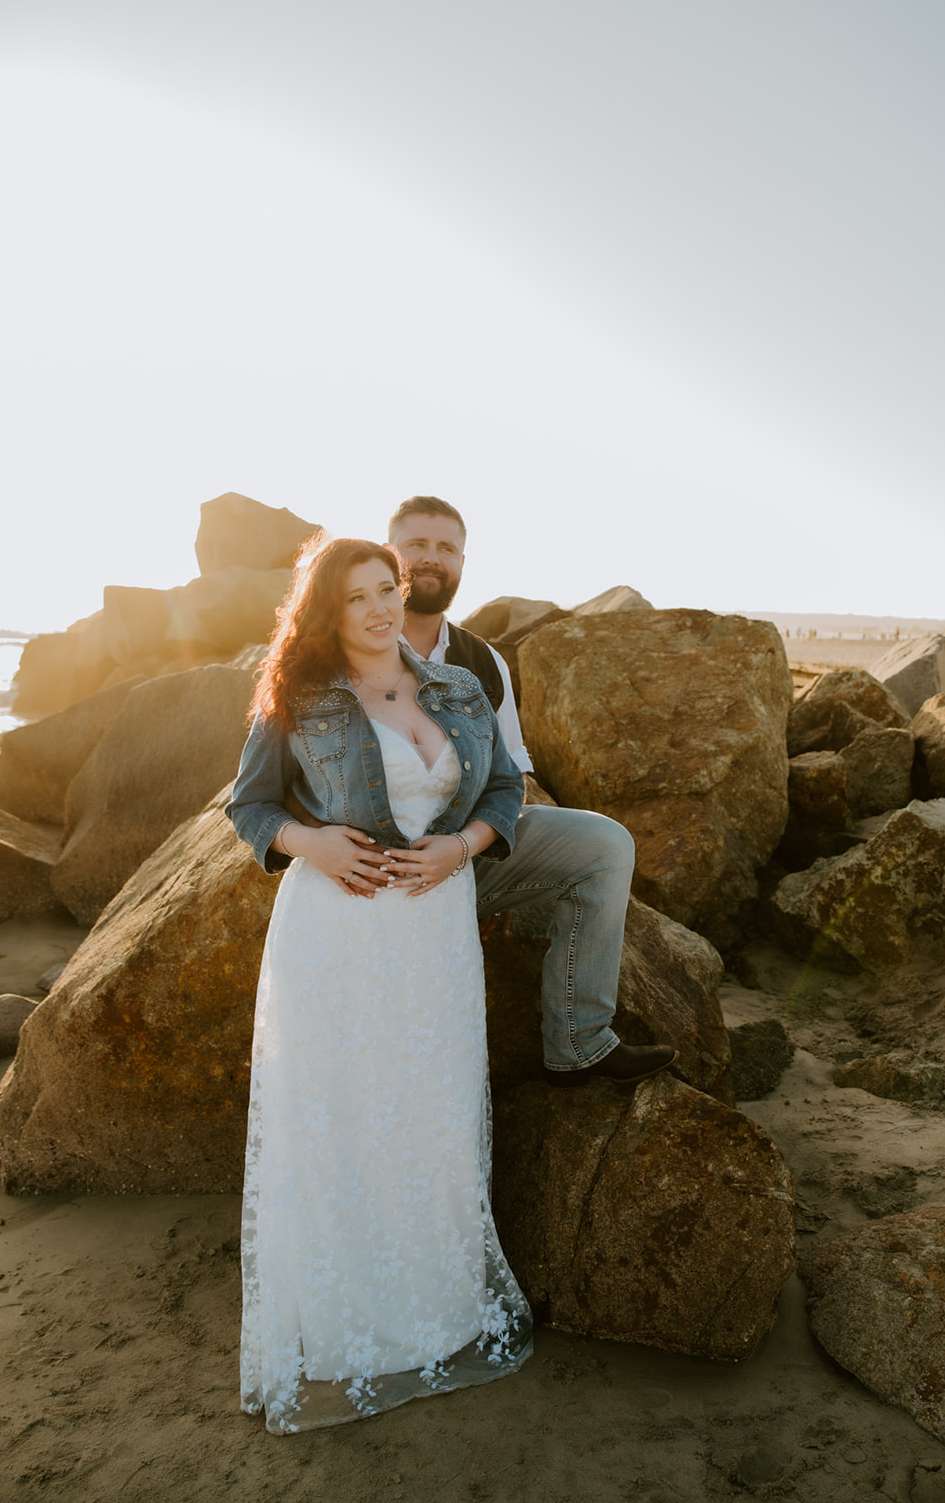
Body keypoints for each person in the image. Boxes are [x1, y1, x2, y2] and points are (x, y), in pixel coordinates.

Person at [227, 535, 533, 1434]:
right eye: (355, 595)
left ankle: (432, 1312)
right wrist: (306, 842)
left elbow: (504, 790)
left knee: (430, 1113)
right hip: (336, 933)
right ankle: (343, 1322)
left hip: (434, 928)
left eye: (386, 589)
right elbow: (249, 805)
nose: (377, 608)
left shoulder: (460, 688)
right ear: (325, 610)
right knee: (341, 1118)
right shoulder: (297, 694)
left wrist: (463, 846)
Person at [287, 495, 676, 1085]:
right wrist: (316, 844)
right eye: (415, 545)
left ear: (463, 562)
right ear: (388, 559)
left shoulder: (479, 666)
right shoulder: (313, 671)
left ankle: (580, 1042)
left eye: (446, 548)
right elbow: (264, 792)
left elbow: (508, 776)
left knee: (605, 846)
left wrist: (471, 847)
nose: (431, 559)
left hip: (459, 853)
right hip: (363, 874)